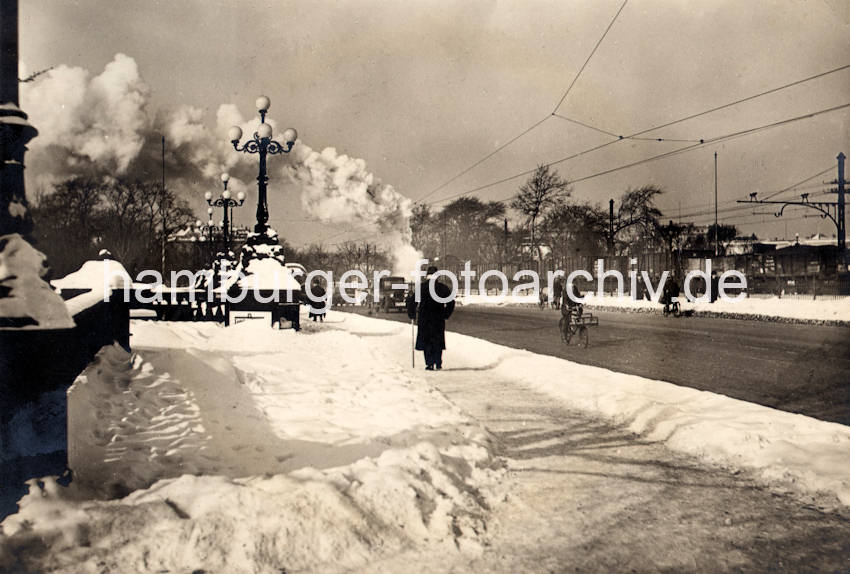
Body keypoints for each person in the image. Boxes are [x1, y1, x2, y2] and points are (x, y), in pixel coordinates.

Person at [408, 266, 455, 370]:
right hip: (438, 318)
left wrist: (412, 314)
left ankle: (429, 363)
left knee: (426, 341)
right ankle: (438, 362)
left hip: (424, 318)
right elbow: (451, 302)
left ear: (426, 276)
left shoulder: (422, 287)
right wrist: (446, 314)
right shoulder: (443, 288)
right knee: (437, 340)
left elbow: (412, 302)